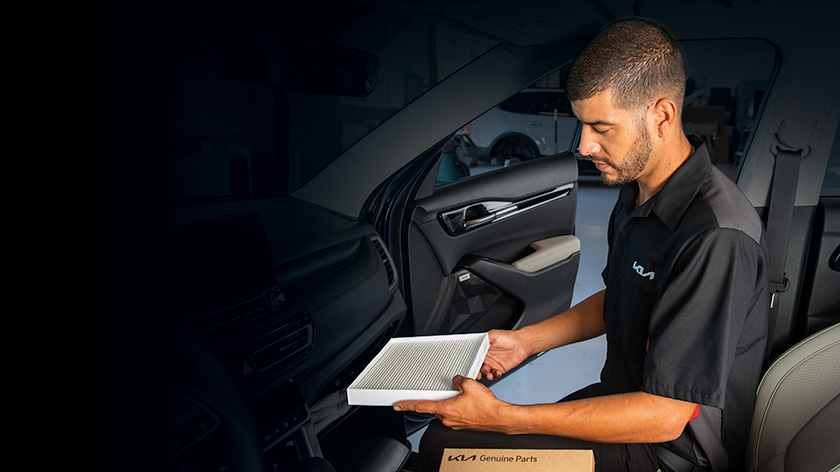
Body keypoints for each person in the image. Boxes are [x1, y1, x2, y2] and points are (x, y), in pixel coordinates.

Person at [394, 18, 770, 472]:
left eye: (601, 127)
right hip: (622, 404)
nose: (585, 145)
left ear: (662, 116)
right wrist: (525, 342)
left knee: (445, 455)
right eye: (582, 125)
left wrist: (509, 419)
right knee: (445, 437)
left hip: (671, 453)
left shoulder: (715, 235)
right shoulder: (638, 193)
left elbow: (666, 416)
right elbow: (623, 297)